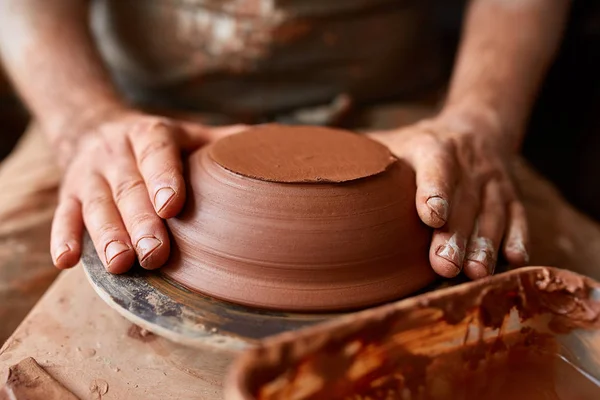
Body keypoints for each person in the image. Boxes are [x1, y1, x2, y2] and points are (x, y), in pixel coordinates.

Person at [0, 0, 570, 335]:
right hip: (124, 111)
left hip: (406, 113)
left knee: (556, 318)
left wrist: (482, 121)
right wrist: (83, 121)